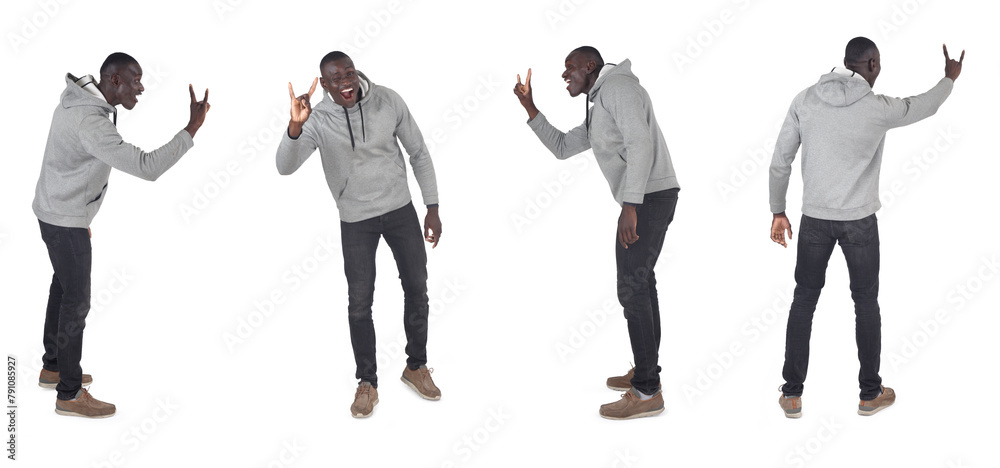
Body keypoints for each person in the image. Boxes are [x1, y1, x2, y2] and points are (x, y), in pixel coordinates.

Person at [770, 38, 964, 418]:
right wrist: (949, 78)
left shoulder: (804, 100)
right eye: (880, 65)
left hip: (814, 221)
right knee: (865, 303)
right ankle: (869, 394)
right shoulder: (879, 108)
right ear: (871, 64)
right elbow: (925, 105)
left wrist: (778, 211)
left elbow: (780, 162)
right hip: (859, 222)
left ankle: (792, 394)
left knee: (803, 302)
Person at [33, 52, 210, 418]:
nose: (141, 87)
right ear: (114, 81)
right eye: (135, 80)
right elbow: (147, 167)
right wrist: (191, 128)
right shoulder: (90, 121)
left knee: (63, 289)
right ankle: (68, 392)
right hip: (63, 219)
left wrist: (77, 214)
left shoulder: (80, 101)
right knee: (76, 302)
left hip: (57, 213)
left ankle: (54, 366)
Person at [514, 46, 680, 420]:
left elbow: (640, 143)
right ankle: (645, 373)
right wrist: (530, 107)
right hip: (647, 197)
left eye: (569, 67)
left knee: (632, 288)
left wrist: (631, 204)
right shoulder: (599, 103)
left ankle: (647, 391)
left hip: (649, 198)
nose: (564, 75)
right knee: (641, 284)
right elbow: (561, 147)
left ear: (591, 66)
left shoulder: (618, 90)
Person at [276, 51, 443, 418]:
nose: (345, 81)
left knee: (417, 287)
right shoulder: (317, 120)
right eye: (335, 78)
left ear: (356, 71)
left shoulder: (387, 100)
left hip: (401, 210)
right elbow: (284, 168)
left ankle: (416, 366)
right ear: (324, 84)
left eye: (348, 72)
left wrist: (431, 206)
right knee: (359, 302)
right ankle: (367, 382)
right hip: (355, 219)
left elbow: (418, 152)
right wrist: (294, 127)